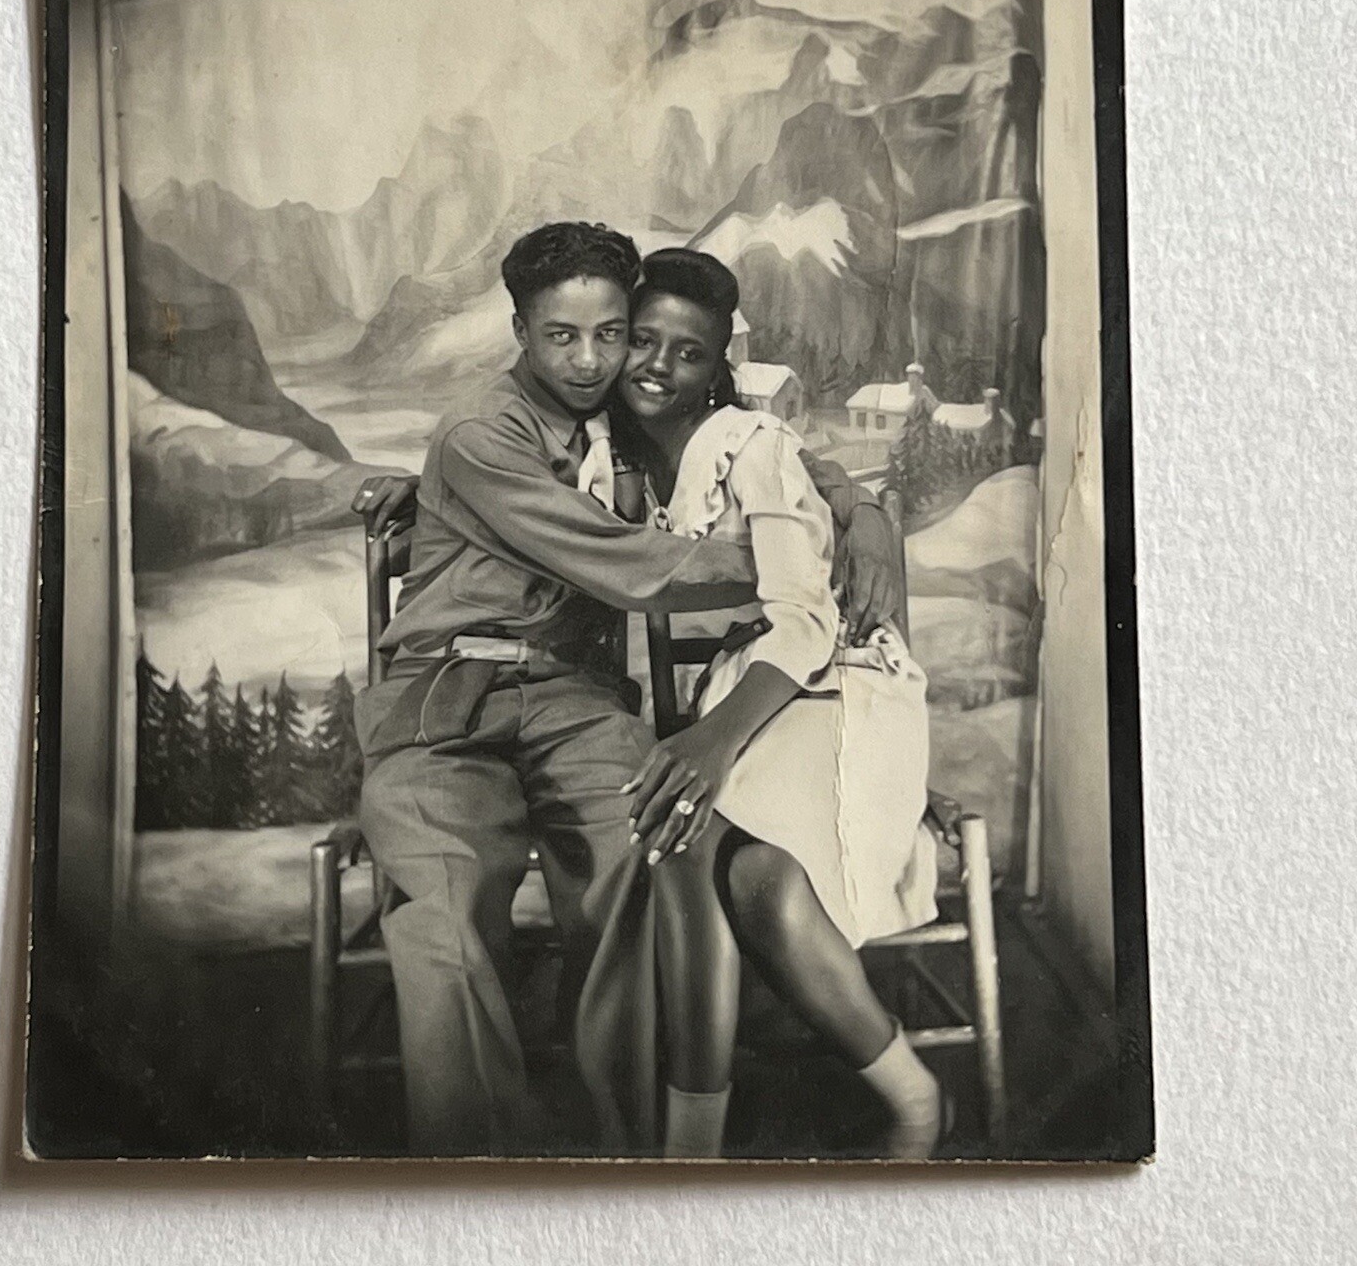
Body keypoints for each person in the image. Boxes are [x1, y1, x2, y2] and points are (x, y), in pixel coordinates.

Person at [349, 222, 903, 1156]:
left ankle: (629, 1156)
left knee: (646, 860)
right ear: (520, 332)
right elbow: (633, 565)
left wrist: (865, 510)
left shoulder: (622, 405)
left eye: (610, 333)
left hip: (575, 701)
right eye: (562, 336)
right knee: (445, 911)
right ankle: (472, 1170)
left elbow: (780, 455)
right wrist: (788, 563)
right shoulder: (481, 432)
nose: (590, 359)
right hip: (444, 701)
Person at [575, 248, 943, 1160]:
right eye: (642, 341)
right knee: (725, 862)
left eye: (688, 352)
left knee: (727, 855)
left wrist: (711, 743)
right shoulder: (598, 452)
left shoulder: (754, 447)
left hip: (838, 687)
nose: (657, 367)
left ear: (716, 368)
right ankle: (696, 1152)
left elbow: (808, 622)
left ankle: (914, 1106)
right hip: (744, 687)